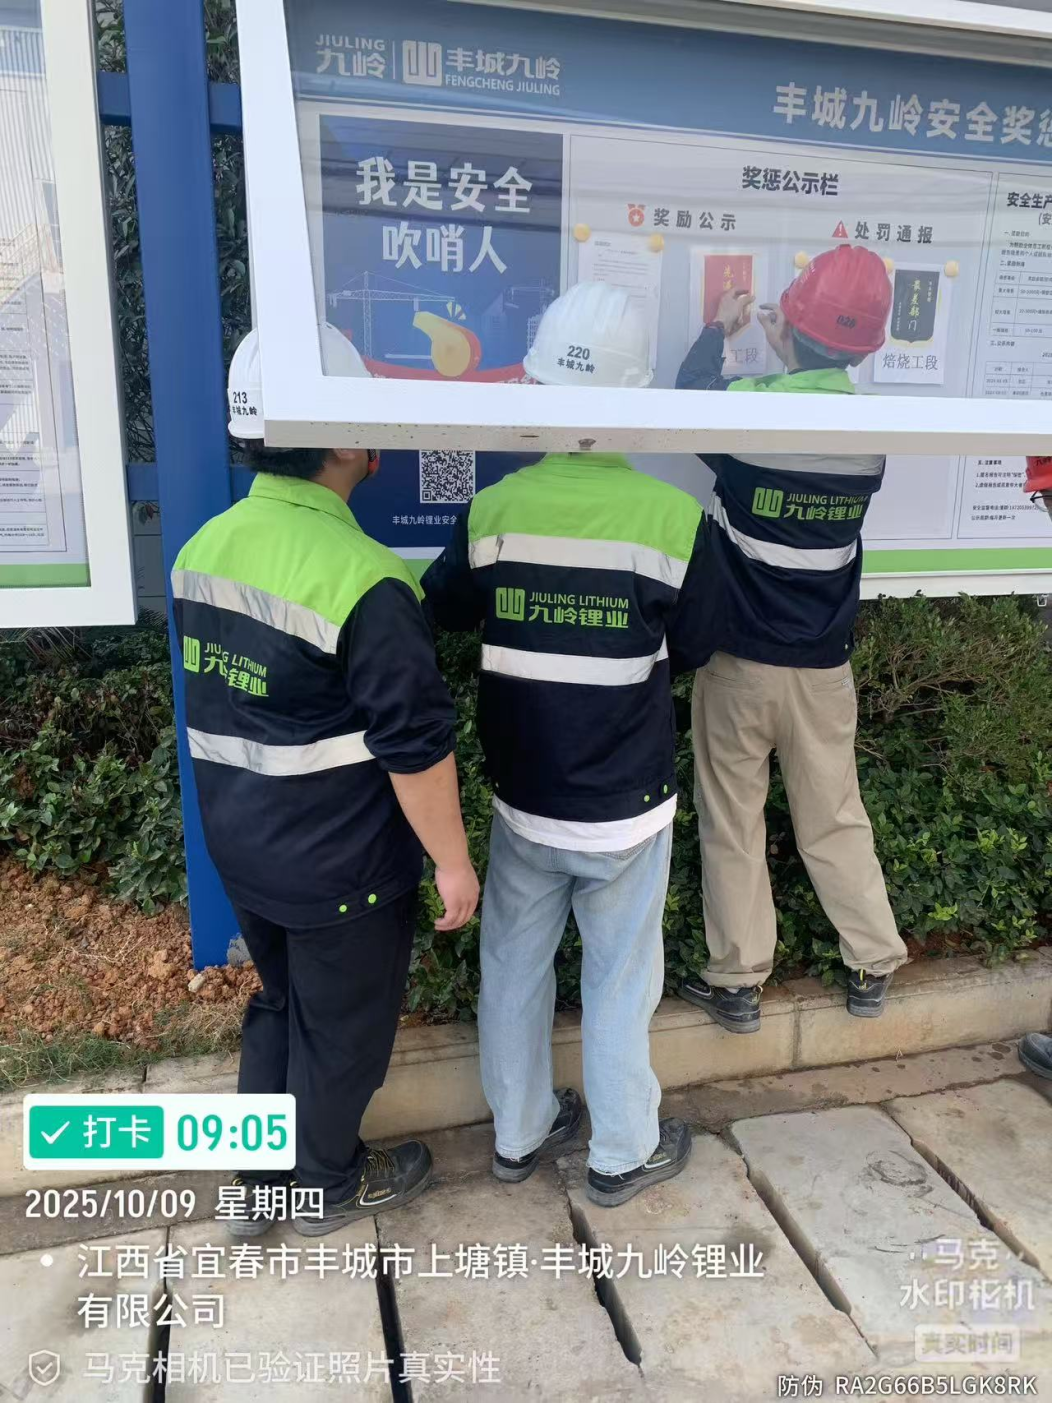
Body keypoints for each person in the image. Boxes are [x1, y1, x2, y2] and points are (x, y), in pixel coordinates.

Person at [172, 323, 478, 1236]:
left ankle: (259, 1181)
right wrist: (453, 863)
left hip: (243, 846)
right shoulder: (368, 581)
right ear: (344, 441)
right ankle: (326, 1183)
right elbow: (415, 747)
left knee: (281, 1002)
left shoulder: (201, 549)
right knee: (342, 1030)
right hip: (340, 867)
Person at [423, 282, 709, 1207]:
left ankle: (519, 1132)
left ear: (539, 387)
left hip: (524, 800)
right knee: (620, 981)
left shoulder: (495, 509)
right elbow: (700, 642)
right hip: (627, 804)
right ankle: (621, 1152)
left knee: (513, 966)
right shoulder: (672, 519)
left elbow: (443, 608)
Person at [675, 245, 908, 1034]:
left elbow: (687, 402)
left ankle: (738, 981)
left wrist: (721, 329)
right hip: (823, 670)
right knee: (834, 814)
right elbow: (816, 410)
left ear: (792, 329)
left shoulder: (750, 414)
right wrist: (796, 355)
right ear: (866, 346)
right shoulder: (872, 440)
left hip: (740, 663)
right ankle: (872, 960)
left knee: (733, 818)